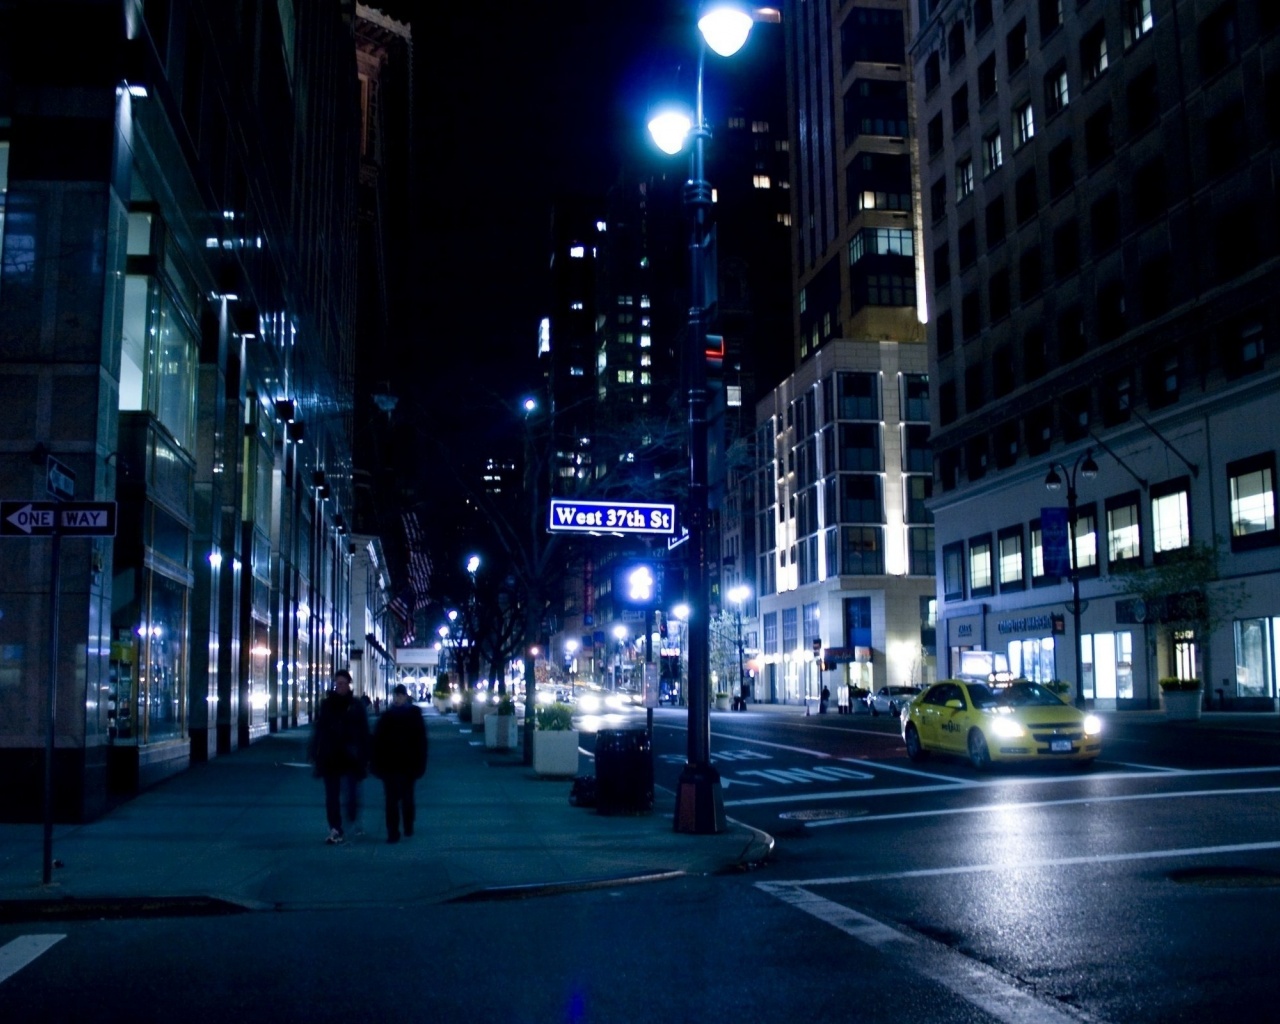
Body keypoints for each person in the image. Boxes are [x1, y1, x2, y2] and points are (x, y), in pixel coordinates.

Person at [308, 668, 371, 844]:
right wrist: (315, 751)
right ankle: (335, 828)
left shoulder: (356, 705)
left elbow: (364, 732)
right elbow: (319, 729)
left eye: (343, 683)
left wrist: (364, 754)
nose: (340, 686)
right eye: (338, 683)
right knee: (332, 796)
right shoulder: (328, 705)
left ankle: (352, 816)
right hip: (331, 756)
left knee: (351, 794)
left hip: (350, 757)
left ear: (349, 685)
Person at [370, 683, 428, 844]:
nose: (397, 699)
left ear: (405, 697)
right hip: (390, 765)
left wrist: (420, 763)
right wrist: (376, 763)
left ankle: (408, 824)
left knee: (407, 798)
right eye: (395, 696)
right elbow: (378, 741)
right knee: (391, 800)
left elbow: (421, 742)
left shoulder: (414, 715)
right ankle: (393, 832)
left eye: (400, 696)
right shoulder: (387, 717)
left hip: (408, 765)